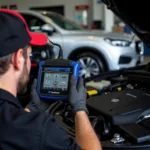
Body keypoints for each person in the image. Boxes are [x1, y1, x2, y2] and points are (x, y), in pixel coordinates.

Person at [0, 9, 102, 150]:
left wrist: (30, 110)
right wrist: (79, 110)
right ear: (18, 59)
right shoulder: (38, 130)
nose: (30, 63)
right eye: (29, 56)